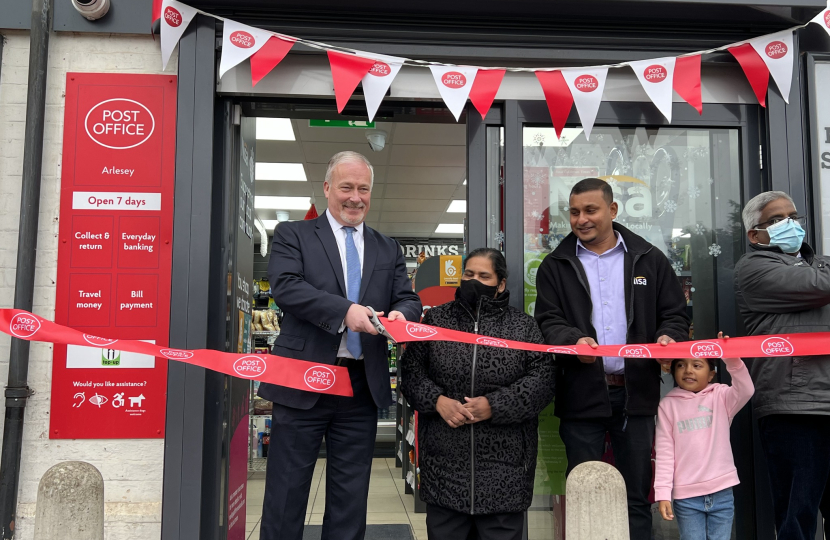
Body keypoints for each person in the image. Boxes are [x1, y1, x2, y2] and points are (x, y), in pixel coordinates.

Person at [259, 151, 422, 540]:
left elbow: (407, 297)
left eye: (363, 189)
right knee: (286, 491)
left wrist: (402, 315)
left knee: (351, 495)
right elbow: (287, 287)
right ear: (328, 188)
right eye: (346, 187)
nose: (355, 197)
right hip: (302, 381)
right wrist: (344, 311)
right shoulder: (292, 234)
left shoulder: (387, 247)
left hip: (360, 387)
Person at [534, 177, 690, 540]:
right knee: (584, 491)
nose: (581, 219)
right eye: (574, 212)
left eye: (590, 210)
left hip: (636, 395)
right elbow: (547, 321)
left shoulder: (649, 259)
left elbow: (675, 313)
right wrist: (574, 340)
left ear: (613, 210)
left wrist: (670, 337)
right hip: (581, 395)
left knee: (636, 494)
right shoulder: (555, 265)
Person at [400, 248, 555, 540]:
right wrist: (438, 401)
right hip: (445, 469)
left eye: (484, 276)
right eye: (469, 274)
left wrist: (495, 405)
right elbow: (411, 372)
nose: (474, 281)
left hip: (505, 475)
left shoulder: (523, 327)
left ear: (501, 284)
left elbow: (542, 380)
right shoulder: (435, 320)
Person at [734, 191, 830, 540]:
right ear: (755, 235)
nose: (790, 224)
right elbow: (818, 286)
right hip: (796, 405)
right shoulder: (754, 268)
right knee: (797, 514)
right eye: (776, 220)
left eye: (792, 216)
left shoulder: (821, 263)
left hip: (824, 400)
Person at [655, 332, 754, 539]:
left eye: (697, 365)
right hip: (686, 497)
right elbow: (665, 453)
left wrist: (730, 356)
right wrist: (663, 493)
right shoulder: (668, 405)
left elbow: (746, 389)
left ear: (711, 374)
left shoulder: (721, 397)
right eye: (681, 365)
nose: (688, 370)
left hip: (722, 492)